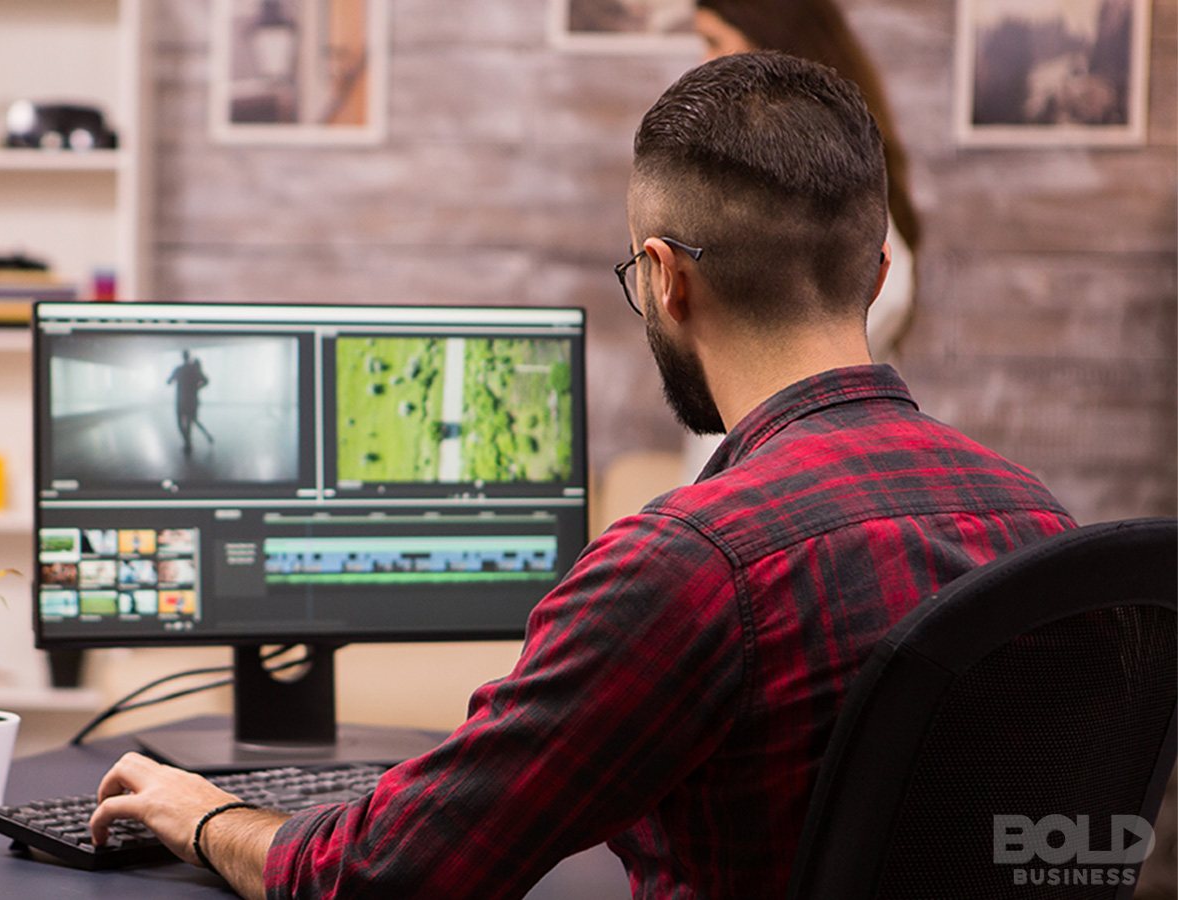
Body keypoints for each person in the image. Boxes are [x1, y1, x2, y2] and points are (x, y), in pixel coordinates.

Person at [87, 53, 1073, 899]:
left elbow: (388, 877)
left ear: (665, 278)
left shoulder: (691, 566)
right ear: (875, 272)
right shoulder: (1040, 527)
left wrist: (204, 813)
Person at [692, 0, 921, 361]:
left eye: (714, 41)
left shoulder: (825, 154)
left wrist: (781, 370)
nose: (705, 62)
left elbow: (892, 291)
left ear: (771, 42)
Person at [167, 350, 211, 455]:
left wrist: (174, 380)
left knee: (181, 422)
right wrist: (197, 388)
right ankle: (190, 442)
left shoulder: (178, 369)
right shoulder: (194, 369)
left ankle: (187, 443)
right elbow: (206, 381)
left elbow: (168, 382)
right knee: (191, 422)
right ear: (189, 356)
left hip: (181, 400)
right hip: (192, 399)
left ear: (182, 357)